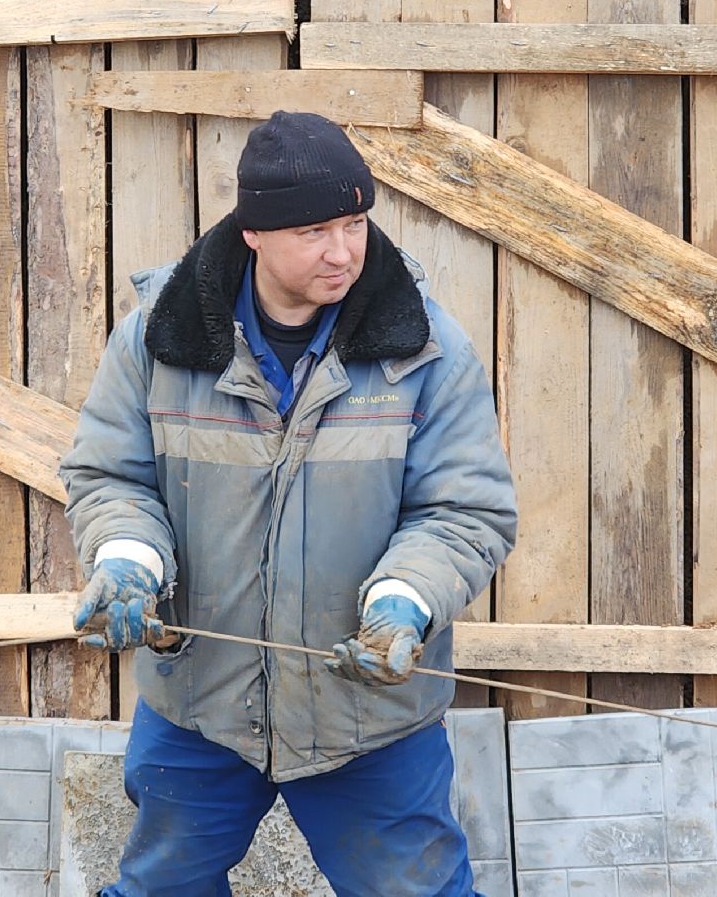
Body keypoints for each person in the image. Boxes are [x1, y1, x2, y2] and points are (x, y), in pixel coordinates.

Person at [60, 110, 518, 896]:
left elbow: (464, 510)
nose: (342, 251)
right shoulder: (157, 338)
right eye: (313, 231)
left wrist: (404, 602)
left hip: (366, 715)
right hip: (199, 707)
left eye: (353, 222)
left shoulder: (426, 346)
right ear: (253, 233)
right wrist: (127, 559)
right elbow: (111, 478)